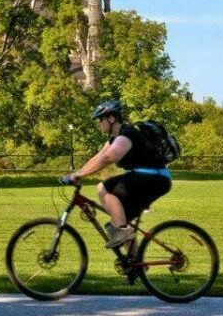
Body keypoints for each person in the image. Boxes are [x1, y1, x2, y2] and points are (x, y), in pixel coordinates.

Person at [64, 100, 172, 248]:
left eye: (100, 119)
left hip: (152, 177)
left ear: (111, 118)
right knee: (120, 219)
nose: (99, 123)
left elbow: (109, 157)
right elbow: (99, 156)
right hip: (155, 179)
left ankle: (121, 231)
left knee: (104, 188)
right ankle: (134, 265)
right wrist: (77, 173)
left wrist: (80, 176)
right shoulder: (116, 138)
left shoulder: (127, 134)